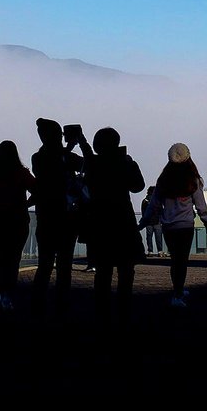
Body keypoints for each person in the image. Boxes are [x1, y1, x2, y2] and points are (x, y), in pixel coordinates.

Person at [77, 126, 144, 323]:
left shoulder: (93, 163)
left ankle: (102, 312)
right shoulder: (124, 162)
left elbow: (88, 156)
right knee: (126, 269)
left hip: (100, 222)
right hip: (123, 221)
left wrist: (81, 141)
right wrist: (131, 164)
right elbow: (137, 185)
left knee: (103, 271)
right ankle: (124, 309)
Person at [141, 143, 207, 308]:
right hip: (186, 225)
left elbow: (154, 205)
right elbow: (201, 206)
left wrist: (144, 221)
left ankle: (177, 290)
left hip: (168, 226)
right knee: (182, 260)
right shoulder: (192, 180)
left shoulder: (163, 180)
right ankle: (178, 292)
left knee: (175, 260)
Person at [30, 118, 83, 318]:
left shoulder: (38, 157)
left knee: (45, 264)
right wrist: (75, 144)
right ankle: (62, 304)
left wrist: (68, 148)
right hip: (67, 218)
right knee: (64, 265)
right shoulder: (65, 157)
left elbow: (47, 171)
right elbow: (88, 163)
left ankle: (38, 303)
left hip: (46, 217)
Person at [0, 140, 35, 311]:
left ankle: (2, 292)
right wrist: (25, 205)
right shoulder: (21, 173)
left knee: (1, 259)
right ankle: (10, 292)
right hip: (18, 221)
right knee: (14, 259)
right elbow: (38, 190)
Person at [140, 186, 165, 257]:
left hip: (148, 222)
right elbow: (161, 211)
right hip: (157, 221)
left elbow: (143, 212)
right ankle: (160, 251)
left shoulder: (145, 200)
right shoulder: (158, 200)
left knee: (149, 237)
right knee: (158, 237)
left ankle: (150, 251)